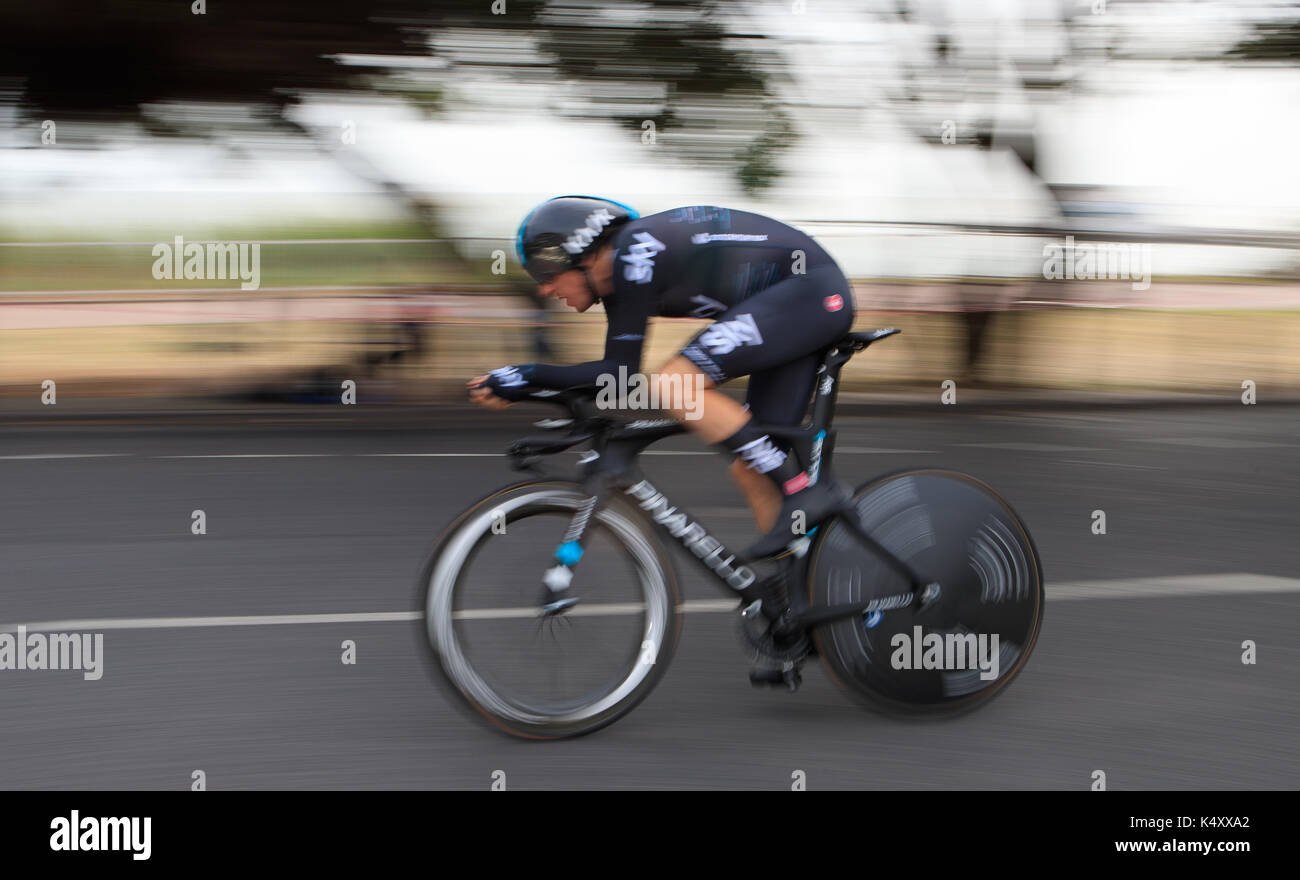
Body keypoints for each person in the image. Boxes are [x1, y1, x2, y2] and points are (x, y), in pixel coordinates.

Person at [468, 196, 856, 560]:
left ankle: (805, 491)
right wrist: (525, 385)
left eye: (547, 272)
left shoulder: (635, 251)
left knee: (677, 383)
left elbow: (623, 379)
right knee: (751, 465)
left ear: (583, 254)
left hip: (812, 292)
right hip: (796, 307)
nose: (545, 287)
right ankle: (808, 586)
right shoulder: (621, 283)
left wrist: (527, 375)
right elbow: (618, 378)